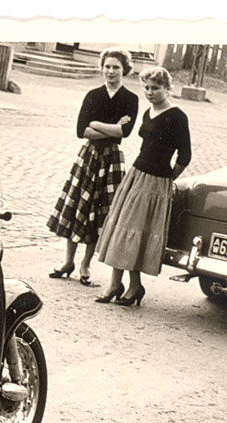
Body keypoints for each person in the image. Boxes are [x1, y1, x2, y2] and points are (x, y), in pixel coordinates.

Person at [94, 66, 192, 306]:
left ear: (167, 88)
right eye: (146, 87)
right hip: (136, 175)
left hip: (155, 181)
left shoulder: (177, 116)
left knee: (134, 231)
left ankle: (133, 286)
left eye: (155, 88)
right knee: (122, 228)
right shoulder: (148, 112)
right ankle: (118, 284)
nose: (150, 92)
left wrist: (168, 178)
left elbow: (185, 155)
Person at [46, 48, 139, 286]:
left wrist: (96, 124)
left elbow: (124, 133)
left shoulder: (130, 99)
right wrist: (110, 127)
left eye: (116, 67)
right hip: (89, 156)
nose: (110, 71)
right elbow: (81, 131)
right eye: (107, 66)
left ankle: (86, 264)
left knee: (99, 211)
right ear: (102, 67)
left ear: (124, 70)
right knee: (79, 204)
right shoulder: (92, 95)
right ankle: (68, 261)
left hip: (112, 160)